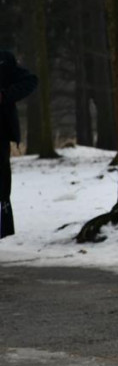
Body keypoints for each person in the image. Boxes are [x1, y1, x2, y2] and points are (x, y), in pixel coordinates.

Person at [0, 49, 39, 239]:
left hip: (1, 131)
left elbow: (30, 80)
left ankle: (5, 231)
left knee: (2, 181)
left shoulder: (4, 59)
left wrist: (5, 95)